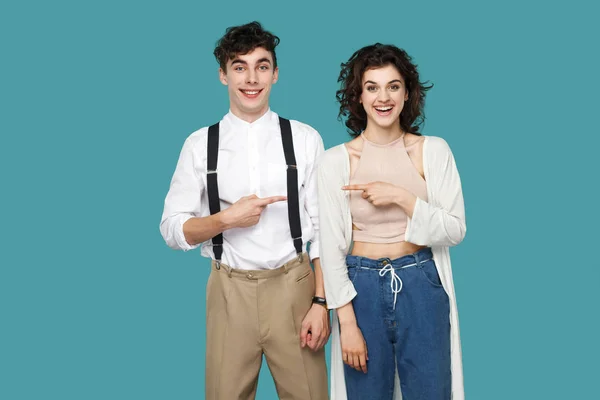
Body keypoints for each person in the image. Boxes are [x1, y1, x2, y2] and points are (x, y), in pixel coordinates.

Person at [159, 21, 329, 400]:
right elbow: (171, 230)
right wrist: (225, 220)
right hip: (228, 292)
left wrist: (321, 302)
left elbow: (323, 230)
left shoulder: (304, 139)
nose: (252, 78)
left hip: (295, 289)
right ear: (223, 75)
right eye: (240, 67)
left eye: (262, 66)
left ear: (275, 73)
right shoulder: (200, 144)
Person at [317, 43, 466, 400]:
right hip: (361, 288)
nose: (383, 98)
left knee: (432, 392)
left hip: (421, 282)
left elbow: (455, 229)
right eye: (372, 87)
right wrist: (347, 323)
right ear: (358, 96)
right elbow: (331, 249)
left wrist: (401, 197)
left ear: (407, 93)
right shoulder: (335, 161)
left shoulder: (433, 151)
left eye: (393, 86)